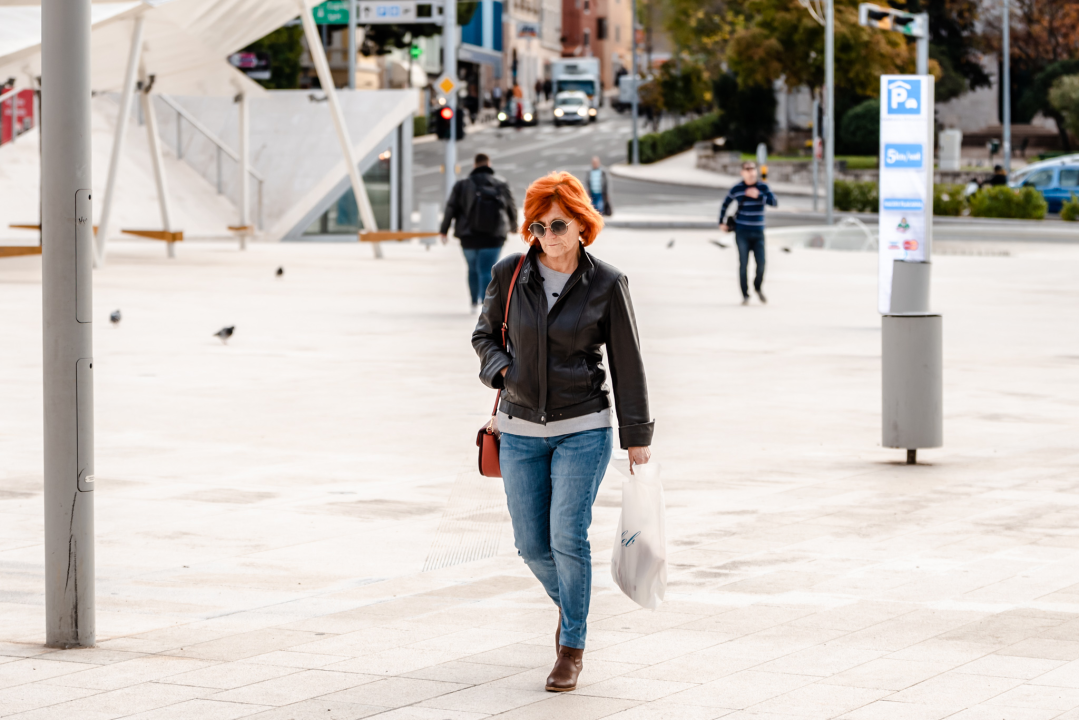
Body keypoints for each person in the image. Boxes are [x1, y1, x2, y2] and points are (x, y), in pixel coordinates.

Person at [472, 172, 653, 693]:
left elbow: (628, 363)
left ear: (580, 226)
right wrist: (503, 371)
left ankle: (571, 647)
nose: (547, 235)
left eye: (557, 224)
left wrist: (636, 434)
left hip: (583, 427)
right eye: (537, 225)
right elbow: (484, 335)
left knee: (566, 538)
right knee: (531, 544)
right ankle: (572, 607)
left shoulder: (607, 284)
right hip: (519, 427)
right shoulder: (510, 273)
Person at [440, 154, 518, 312]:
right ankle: (486, 305)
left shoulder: (462, 185)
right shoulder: (501, 183)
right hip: (494, 236)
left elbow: (451, 208)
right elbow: (511, 205)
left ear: (474, 165)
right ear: (489, 164)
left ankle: (473, 302)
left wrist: (444, 230)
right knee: (487, 269)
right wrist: (513, 225)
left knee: (472, 268)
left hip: (468, 236)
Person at [720, 161, 777, 305]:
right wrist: (721, 221)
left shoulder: (762, 187)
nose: (751, 171)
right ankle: (745, 295)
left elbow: (774, 202)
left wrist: (759, 196)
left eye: (753, 169)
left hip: (758, 232)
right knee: (743, 264)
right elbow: (725, 204)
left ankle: (758, 287)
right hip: (742, 232)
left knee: (761, 264)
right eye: (747, 169)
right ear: (742, 172)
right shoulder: (737, 188)